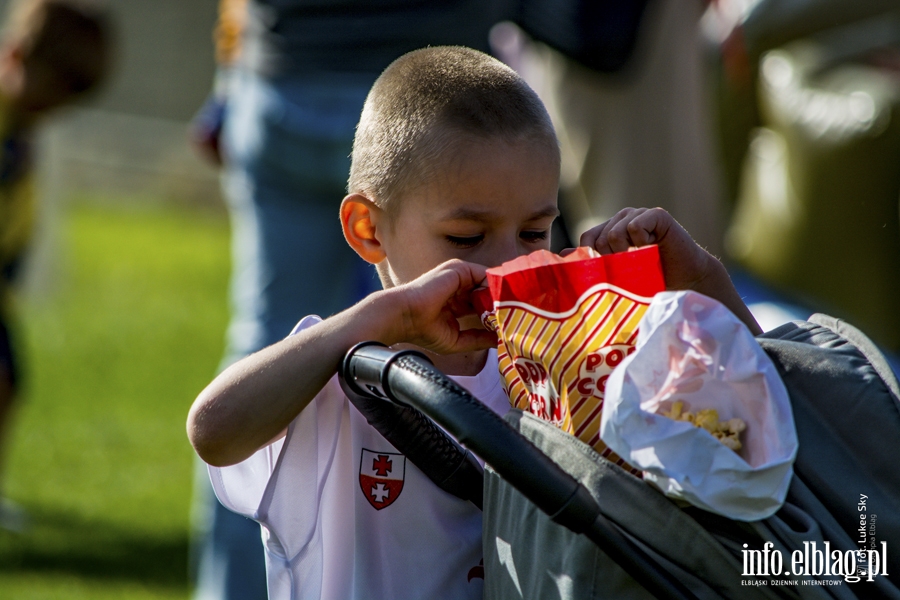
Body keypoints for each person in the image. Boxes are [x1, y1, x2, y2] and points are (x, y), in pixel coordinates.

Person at [187, 46, 760, 600]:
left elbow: (766, 428)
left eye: (535, 233)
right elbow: (212, 430)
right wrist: (383, 318)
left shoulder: (574, 365)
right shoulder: (335, 372)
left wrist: (701, 278)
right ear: (368, 229)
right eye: (466, 238)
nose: (505, 263)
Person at [0, 0, 108, 530]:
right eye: (48, 97)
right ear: (16, 55)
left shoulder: (21, 121)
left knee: (7, 382)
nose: (51, 113)